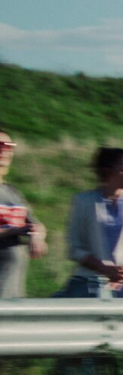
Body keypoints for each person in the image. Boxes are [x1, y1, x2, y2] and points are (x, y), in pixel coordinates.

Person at [64, 147, 123, 298]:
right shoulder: (83, 201)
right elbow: (75, 248)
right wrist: (105, 269)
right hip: (90, 284)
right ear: (107, 171)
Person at [0, 127, 49, 297]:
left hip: (13, 288)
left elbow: (34, 224)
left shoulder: (13, 192)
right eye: (0, 145)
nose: (4, 150)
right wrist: (15, 230)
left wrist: (37, 235)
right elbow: (20, 228)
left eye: (9, 145)